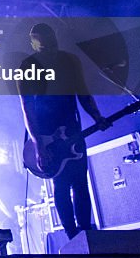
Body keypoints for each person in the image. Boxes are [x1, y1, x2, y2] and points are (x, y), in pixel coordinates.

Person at [18, 23, 110, 241]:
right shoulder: (27, 67)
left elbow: (83, 92)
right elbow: (27, 108)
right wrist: (38, 144)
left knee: (80, 182)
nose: (49, 50)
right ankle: (73, 236)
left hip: (71, 128)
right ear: (33, 44)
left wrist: (97, 117)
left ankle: (86, 233)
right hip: (47, 134)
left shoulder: (69, 61)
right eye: (43, 47)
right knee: (61, 183)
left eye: (51, 44)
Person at [0, 142, 26, 253]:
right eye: (6, 153)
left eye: (11, 153)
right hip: (6, 218)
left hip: (22, 217)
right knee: (13, 248)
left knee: (24, 247)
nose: (9, 156)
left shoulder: (17, 175)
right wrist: (12, 216)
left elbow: (29, 195)